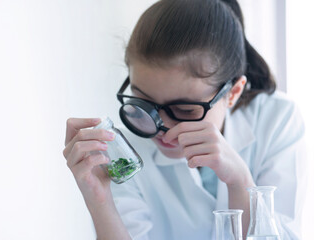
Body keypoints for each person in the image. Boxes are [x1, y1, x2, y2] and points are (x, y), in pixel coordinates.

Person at [63, 0, 307, 239]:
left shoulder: (277, 121)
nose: (162, 127)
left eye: (185, 110)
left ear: (232, 93)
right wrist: (101, 203)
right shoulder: (125, 153)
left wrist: (240, 181)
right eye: (144, 103)